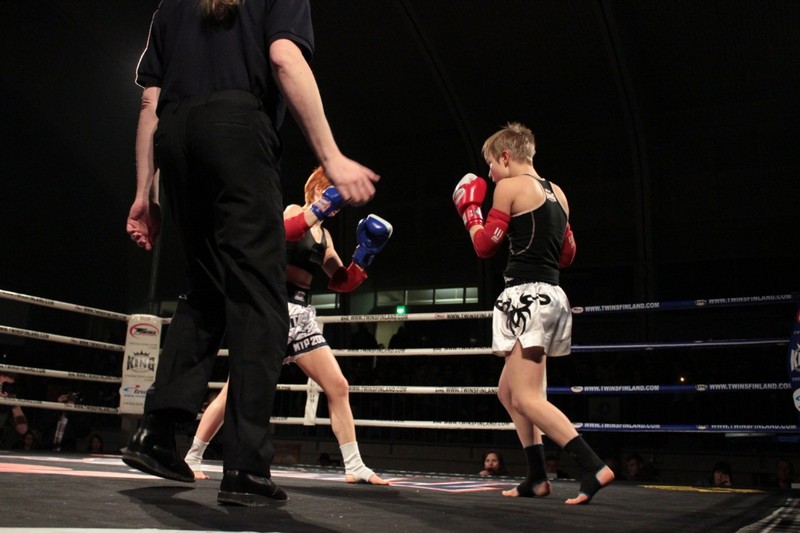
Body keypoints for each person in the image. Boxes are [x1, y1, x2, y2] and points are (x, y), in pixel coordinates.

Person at [123, 0, 379, 507]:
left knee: (205, 289)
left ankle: (157, 435)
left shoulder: (171, 5)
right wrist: (330, 157)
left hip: (175, 136)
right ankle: (245, 466)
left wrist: (143, 194)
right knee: (261, 300)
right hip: (236, 129)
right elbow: (284, 57)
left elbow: (150, 102)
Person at [183, 168, 392, 486]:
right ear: (321, 190)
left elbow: (341, 282)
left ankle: (355, 465)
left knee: (338, 386)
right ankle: (192, 456)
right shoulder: (294, 211)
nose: (341, 204)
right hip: (271, 309)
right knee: (234, 389)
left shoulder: (325, 236)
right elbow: (286, 233)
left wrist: (365, 255)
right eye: (337, 193)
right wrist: (321, 206)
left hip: (301, 317)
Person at [452, 122, 613, 505]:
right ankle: (537, 476)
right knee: (508, 392)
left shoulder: (509, 188)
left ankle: (592, 465)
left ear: (506, 157)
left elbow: (485, 246)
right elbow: (567, 255)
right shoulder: (558, 193)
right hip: (551, 294)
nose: (491, 174)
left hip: (527, 297)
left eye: (492, 164)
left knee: (526, 398)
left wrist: (470, 212)